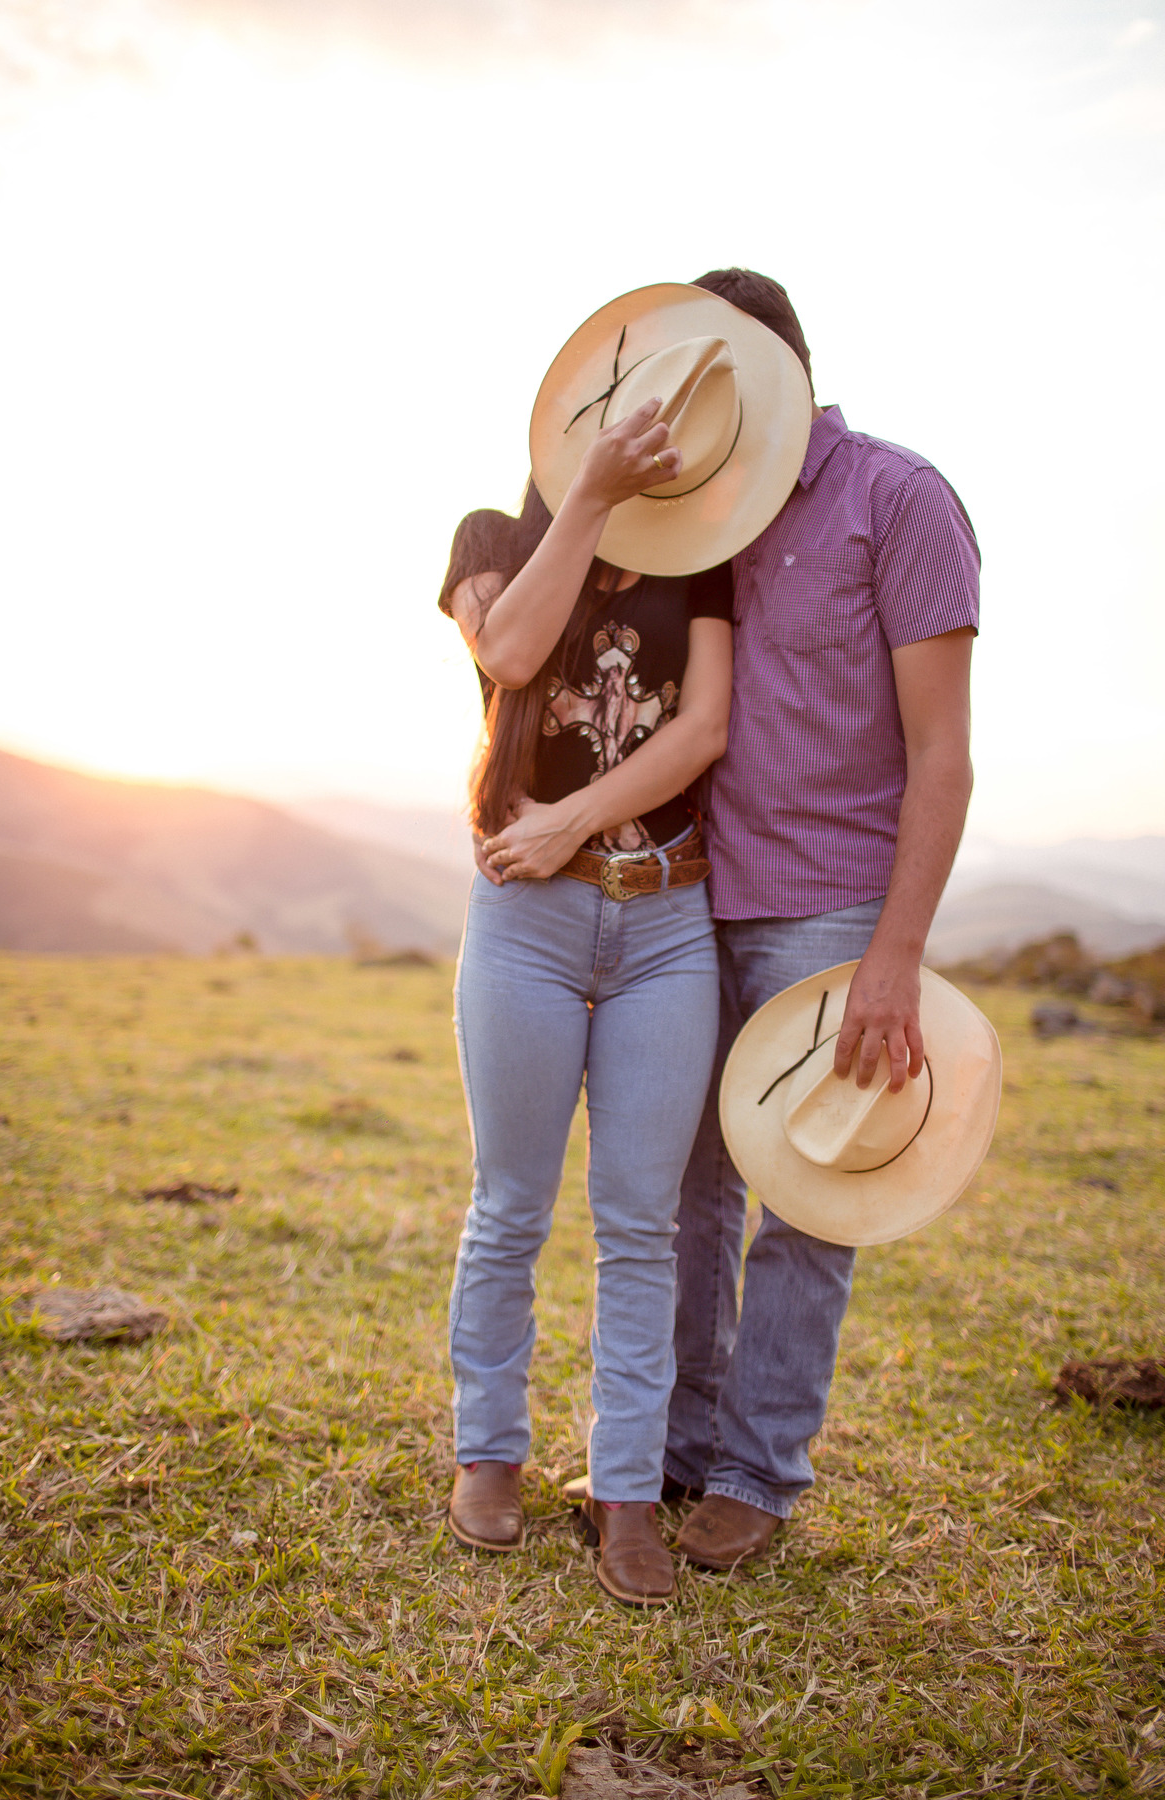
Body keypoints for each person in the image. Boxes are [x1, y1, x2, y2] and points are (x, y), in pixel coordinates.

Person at [661, 268, 981, 1571]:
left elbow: (944, 756)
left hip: (835, 909)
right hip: (693, 902)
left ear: (785, 371)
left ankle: (757, 1473)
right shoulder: (694, 522)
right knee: (686, 1189)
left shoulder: (899, 498)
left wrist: (896, 957)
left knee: (807, 1199)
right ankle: (679, 1449)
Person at [439, 394, 735, 1606]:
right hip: (530, 925)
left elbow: (704, 727)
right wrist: (594, 499)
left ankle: (625, 1498)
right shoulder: (489, 543)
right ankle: (488, 1457)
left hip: (666, 920)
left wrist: (569, 819)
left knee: (640, 1226)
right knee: (510, 1205)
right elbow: (509, 654)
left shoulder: (702, 553)